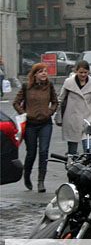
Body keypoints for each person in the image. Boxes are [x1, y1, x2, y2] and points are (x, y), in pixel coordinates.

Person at [12, 63, 59, 192]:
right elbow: (16, 102)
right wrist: (24, 114)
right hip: (31, 124)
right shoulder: (26, 87)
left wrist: (50, 111)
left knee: (44, 151)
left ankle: (41, 181)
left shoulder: (49, 86)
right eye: (40, 72)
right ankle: (27, 175)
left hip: (45, 123)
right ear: (35, 75)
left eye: (45, 71)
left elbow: (55, 101)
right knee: (31, 153)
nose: (44, 73)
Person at [57, 60, 91, 155]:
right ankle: (71, 166)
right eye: (81, 72)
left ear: (88, 72)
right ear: (76, 71)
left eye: (85, 72)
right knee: (72, 151)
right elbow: (60, 100)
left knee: (88, 150)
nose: (83, 75)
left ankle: (88, 169)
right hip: (72, 120)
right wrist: (58, 117)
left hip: (88, 121)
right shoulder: (68, 83)